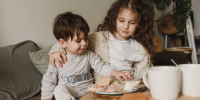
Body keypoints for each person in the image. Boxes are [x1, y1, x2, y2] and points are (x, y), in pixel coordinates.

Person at [49, 0, 155, 82]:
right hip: (104, 86)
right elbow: (72, 41)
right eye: (121, 20)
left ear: (139, 24)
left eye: (132, 23)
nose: (126, 26)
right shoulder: (99, 38)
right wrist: (56, 50)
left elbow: (147, 69)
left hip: (129, 84)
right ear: (114, 18)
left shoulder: (138, 48)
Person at [41, 12, 131, 100]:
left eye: (85, 38)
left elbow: (101, 67)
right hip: (70, 92)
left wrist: (116, 73)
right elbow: (48, 81)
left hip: (88, 91)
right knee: (59, 89)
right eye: (78, 41)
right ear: (63, 43)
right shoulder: (58, 59)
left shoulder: (88, 55)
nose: (84, 43)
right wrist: (46, 98)